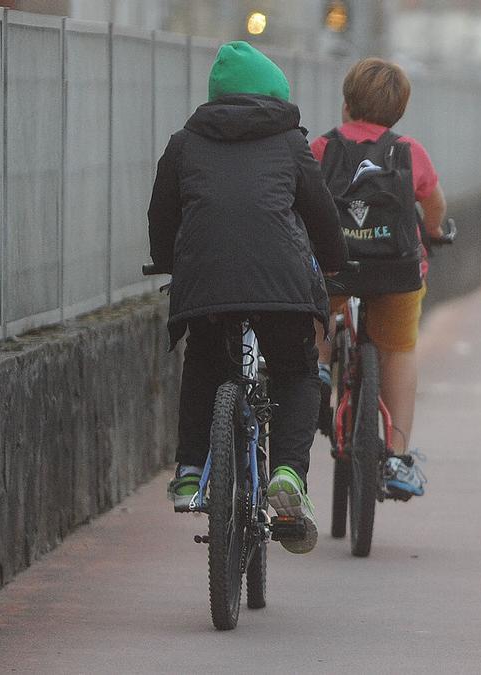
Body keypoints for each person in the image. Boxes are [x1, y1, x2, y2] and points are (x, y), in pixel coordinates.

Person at [148, 41, 348, 554]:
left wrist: (169, 260)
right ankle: (287, 473)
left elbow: (162, 215)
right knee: (297, 371)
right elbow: (321, 212)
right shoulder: (290, 143)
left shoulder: (184, 143)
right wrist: (333, 261)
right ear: (275, 94)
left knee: (203, 363)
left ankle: (190, 470)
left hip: (206, 284)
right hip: (281, 286)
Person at [310, 57, 447, 499]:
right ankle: (397, 456)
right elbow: (434, 204)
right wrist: (434, 231)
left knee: (317, 311)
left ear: (346, 104)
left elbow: (303, 201)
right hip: (396, 270)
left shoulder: (323, 148)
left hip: (335, 266)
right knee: (399, 349)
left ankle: (318, 370)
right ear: (399, 111)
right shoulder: (409, 150)